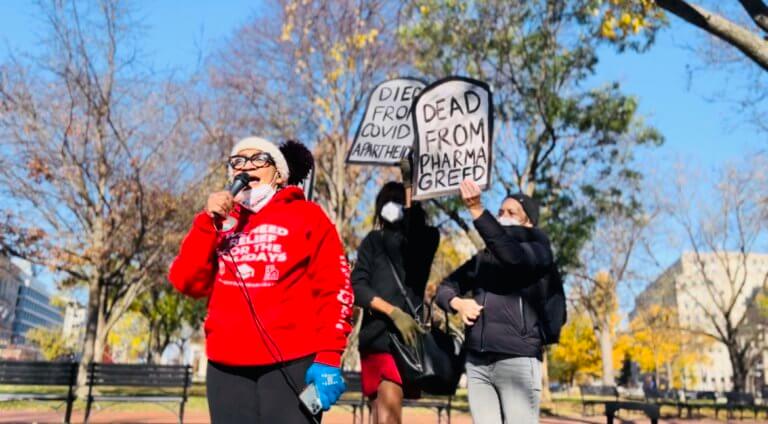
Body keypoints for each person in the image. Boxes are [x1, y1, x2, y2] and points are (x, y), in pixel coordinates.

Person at [168, 137, 354, 424]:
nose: (247, 166)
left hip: (293, 362)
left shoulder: (308, 215)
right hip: (226, 366)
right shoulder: (218, 222)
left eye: (258, 159)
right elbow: (186, 282)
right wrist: (207, 224)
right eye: (238, 162)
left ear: (278, 174)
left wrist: (330, 355)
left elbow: (335, 286)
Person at [435, 179, 554, 424]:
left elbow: (513, 256)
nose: (503, 217)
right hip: (478, 364)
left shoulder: (539, 249)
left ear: (528, 221)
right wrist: (458, 303)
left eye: (512, 213)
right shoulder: (482, 260)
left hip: (517, 359)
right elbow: (445, 288)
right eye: (500, 212)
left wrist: (477, 209)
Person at [350, 161, 440, 424]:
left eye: (396, 200)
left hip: (402, 343)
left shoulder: (425, 239)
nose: (390, 206)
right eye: (385, 201)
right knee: (378, 415)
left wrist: (410, 185)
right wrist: (391, 311)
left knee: (389, 418)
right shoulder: (372, 241)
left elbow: (417, 233)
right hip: (373, 341)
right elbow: (357, 286)